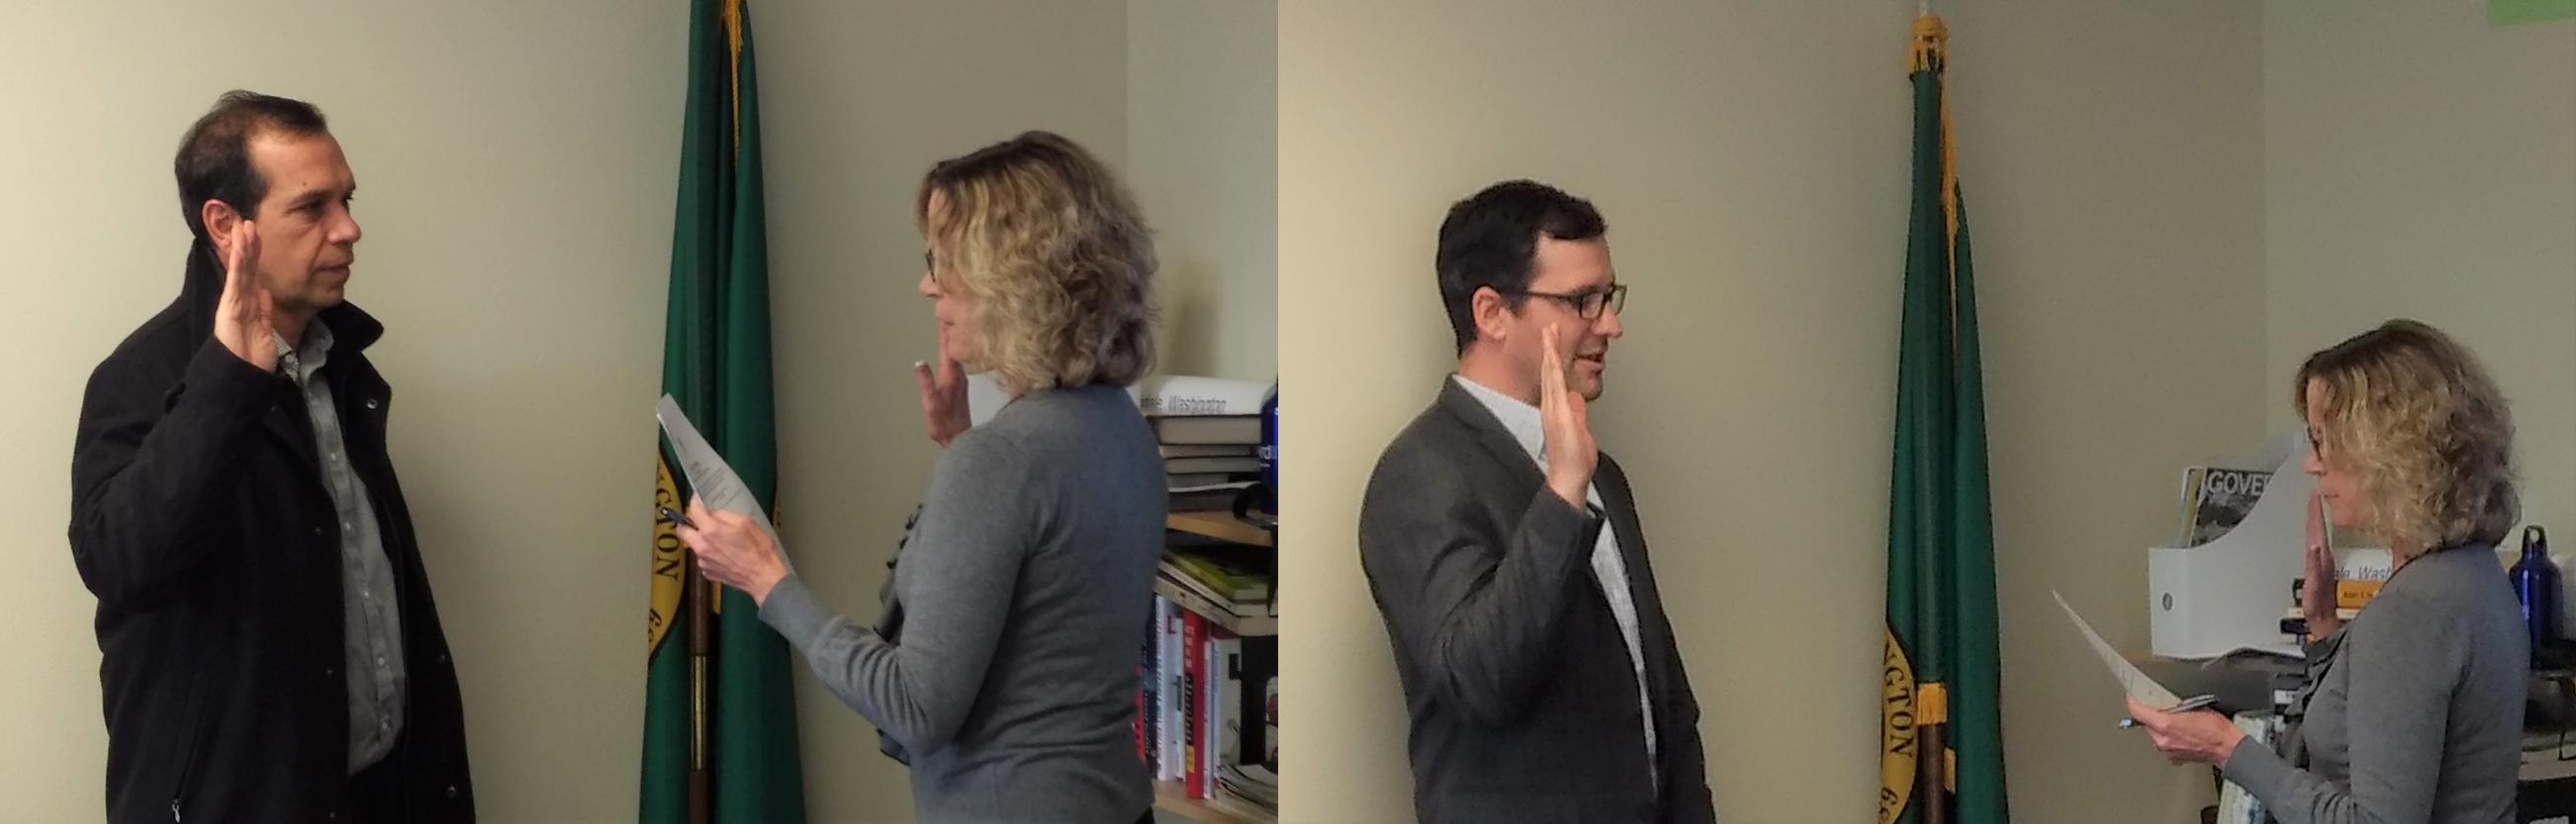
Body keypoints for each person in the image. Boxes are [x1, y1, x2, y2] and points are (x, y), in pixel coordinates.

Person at [677, 130, 1166, 824]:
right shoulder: (1118, 426)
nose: (927, 283)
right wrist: (960, 443)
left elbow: (914, 707)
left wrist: (766, 580)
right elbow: (1047, 611)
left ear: (1012, 277)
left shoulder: (1003, 461)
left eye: (944, 261)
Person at [68, 91, 473, 823]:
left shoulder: (340, 364)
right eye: (312, 207)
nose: (349, 230)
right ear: (226, 226)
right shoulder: (139, 379)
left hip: (375, 794)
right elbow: (122, 563)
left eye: (346, 200)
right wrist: (229, 382)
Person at [1357, 180, 1714, 823]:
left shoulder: (1602, 474)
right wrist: (1563, 493)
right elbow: (1482, 681)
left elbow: (1661, 700)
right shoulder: (1418, 475)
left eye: (1608, 296)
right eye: (1582, 300)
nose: (1611, 323)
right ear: (1492, 313)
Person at [2129, 319, 2525, 824]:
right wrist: (2326, 635)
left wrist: (2228, 749)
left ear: (2386, 452)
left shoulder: (2411, 611)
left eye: (2323, 442)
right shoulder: (2474, 574)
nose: (2312, 465)